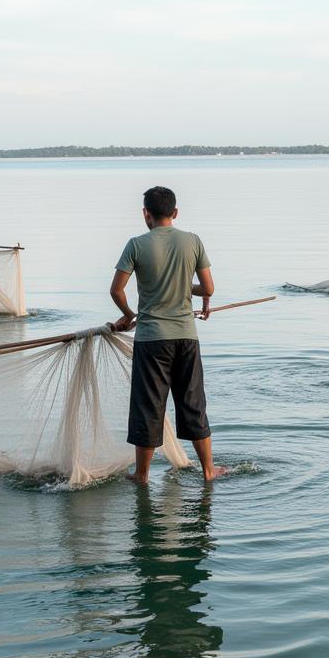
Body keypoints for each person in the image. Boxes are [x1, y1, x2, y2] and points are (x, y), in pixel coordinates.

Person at [110, 186, 226, 484]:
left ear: (145, 214)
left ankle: (142, 474)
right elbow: (209, 289)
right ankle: (209, 471)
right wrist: (184, 289)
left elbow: (116, 290)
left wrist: (129, 315)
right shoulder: (192, 241)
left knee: (149, 406)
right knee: (193, 403)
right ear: (175, 213)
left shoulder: (136, 244)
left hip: (151, 340)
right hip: (186, 337)